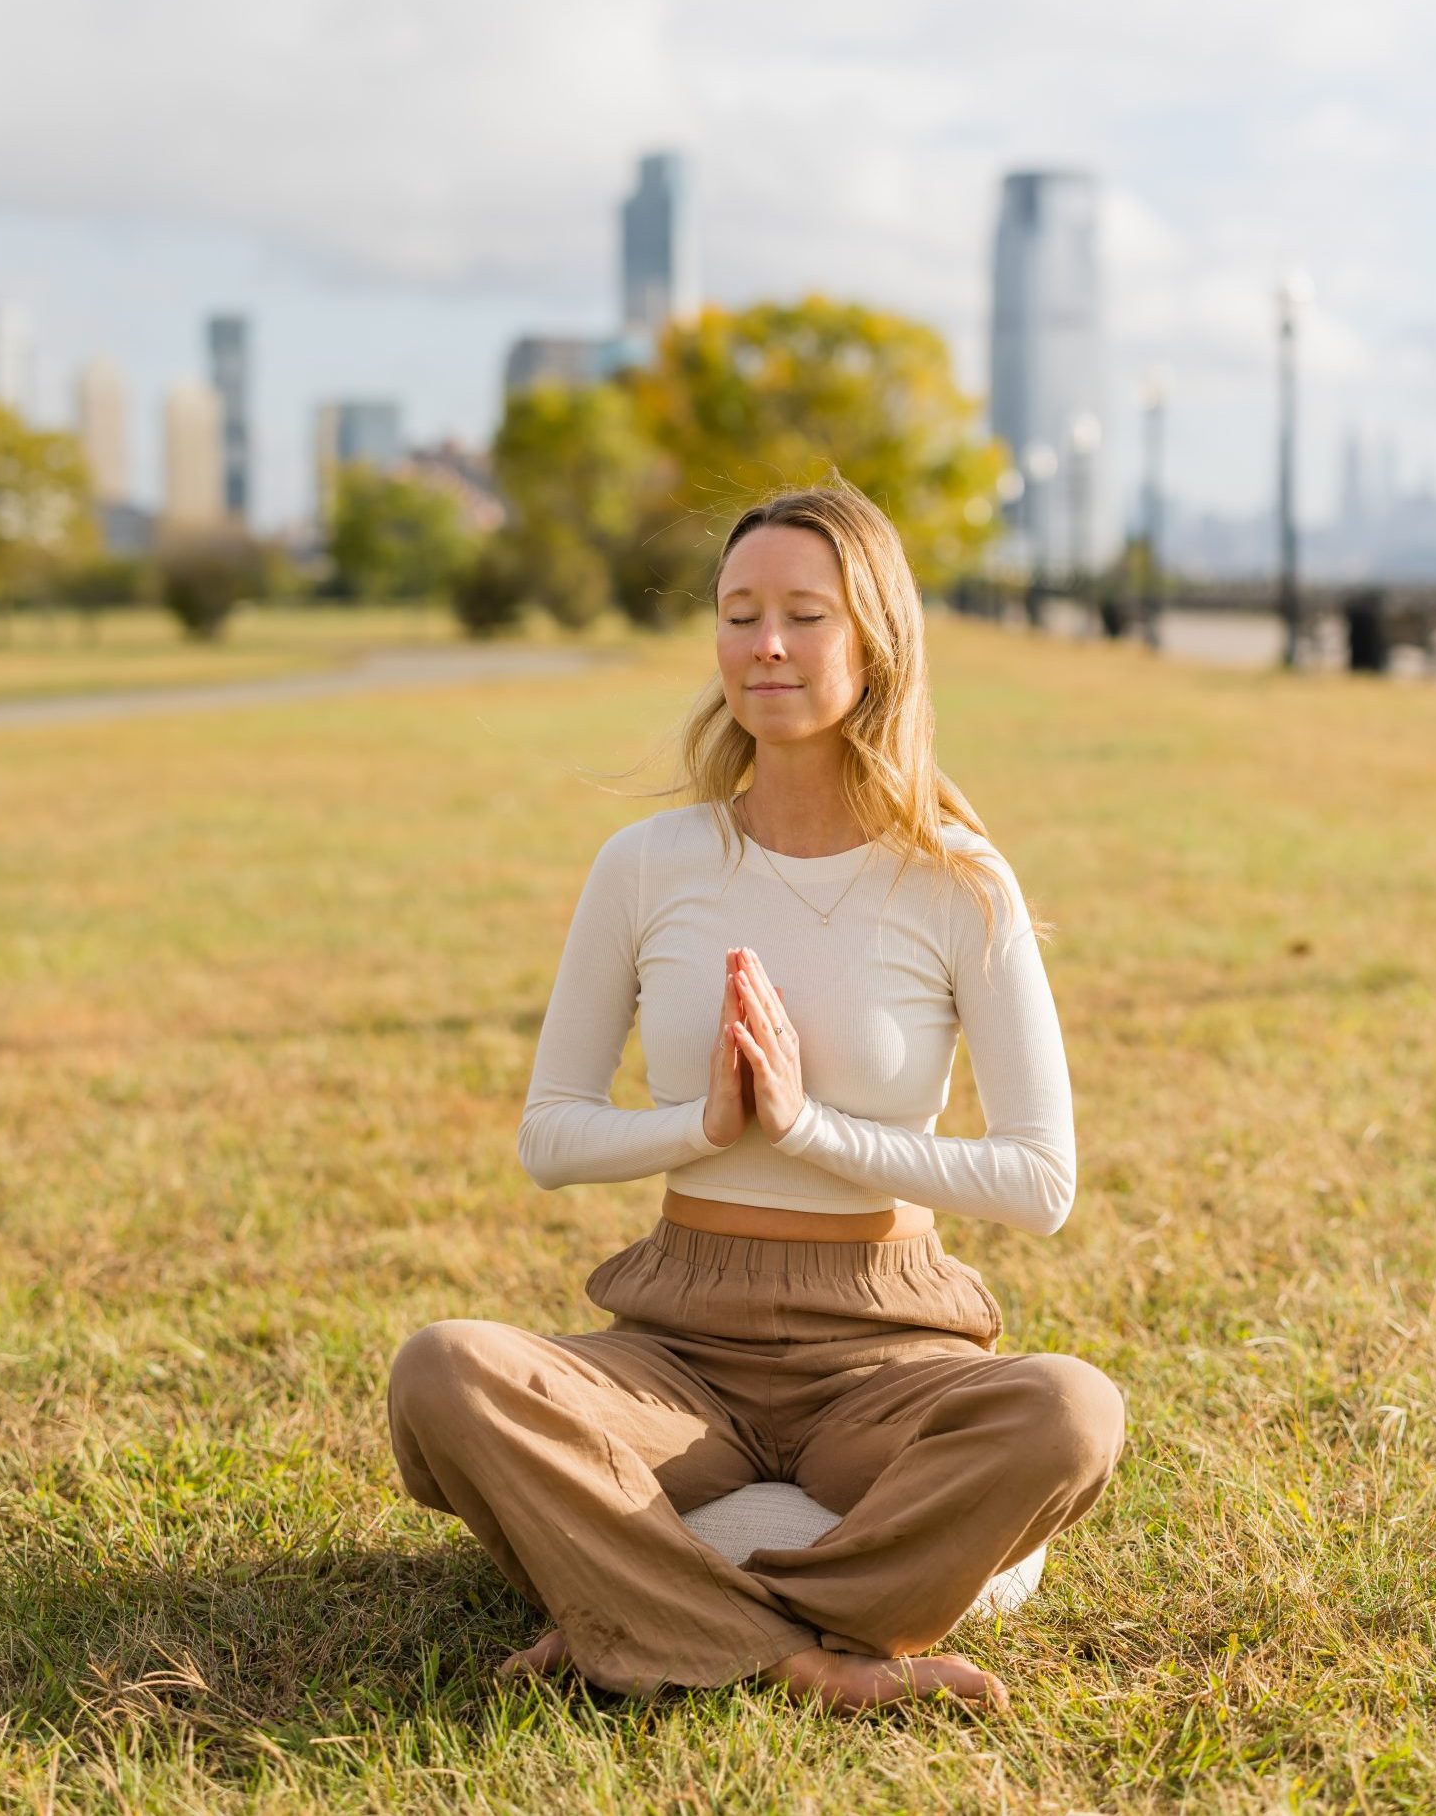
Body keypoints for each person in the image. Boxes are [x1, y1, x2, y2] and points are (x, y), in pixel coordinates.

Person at [386, 477, 1126, 1715]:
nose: (764, 645)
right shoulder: (647, 863)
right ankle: (803, 1654)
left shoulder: (959, 882)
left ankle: (635, 1612)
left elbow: (1040, 1181)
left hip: (883, 1349)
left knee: (1068, 1409)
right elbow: (549, 1133)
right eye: (737, 614)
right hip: (678, 1345)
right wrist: (706, 1127)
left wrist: (809, 1129)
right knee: (443, 1371)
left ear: (876, 640)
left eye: (803, 614)